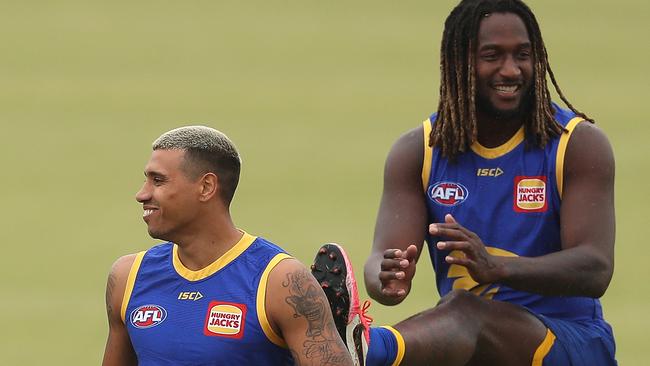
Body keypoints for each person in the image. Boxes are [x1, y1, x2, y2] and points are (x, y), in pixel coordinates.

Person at [314, 0, 617, 365]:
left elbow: (595, 267)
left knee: (462, 310)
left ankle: (362, 350)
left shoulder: (578, 144)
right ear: (460, 63)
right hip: (470, 346)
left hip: (568, 342)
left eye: (522, 54)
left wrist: (497, 267)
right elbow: (382, 259)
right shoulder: (418, 152)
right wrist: (387, 277)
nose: (511, 69)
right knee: (453, 319)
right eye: (493, 56)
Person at [102, 126, 353, 365]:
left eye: (158, 181)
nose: (142, 194)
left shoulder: (279, 282)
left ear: (206, 187)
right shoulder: (128, 277)